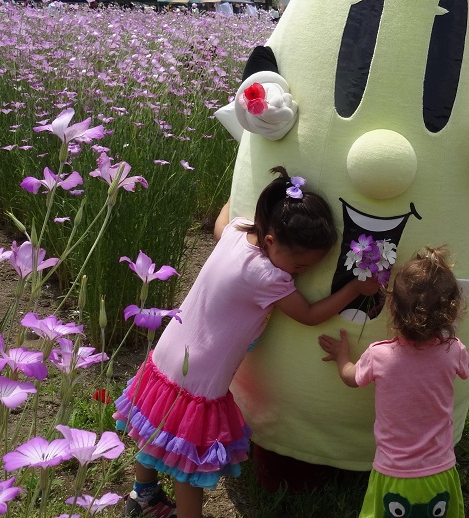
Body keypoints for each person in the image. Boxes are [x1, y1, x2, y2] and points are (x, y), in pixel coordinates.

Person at [115, 167, 378, 518]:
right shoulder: (268, 276)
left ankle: (143, 495)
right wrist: (354, 289)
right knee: (189, 463)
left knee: (155, 428)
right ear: (270, 242)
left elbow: (221, 221)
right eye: (298, 265)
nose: (297, 273)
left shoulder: (238, 232)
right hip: (200, 377)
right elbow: (310, 314)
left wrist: (235, 190)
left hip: (168, 354)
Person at [318, 247, 469, 518]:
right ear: (452, 312)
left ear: (392, 306)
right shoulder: (451, 351)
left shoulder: (379, 355)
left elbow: (351, 377)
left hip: (392, 474)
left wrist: (341, 356)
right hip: (439, 472)